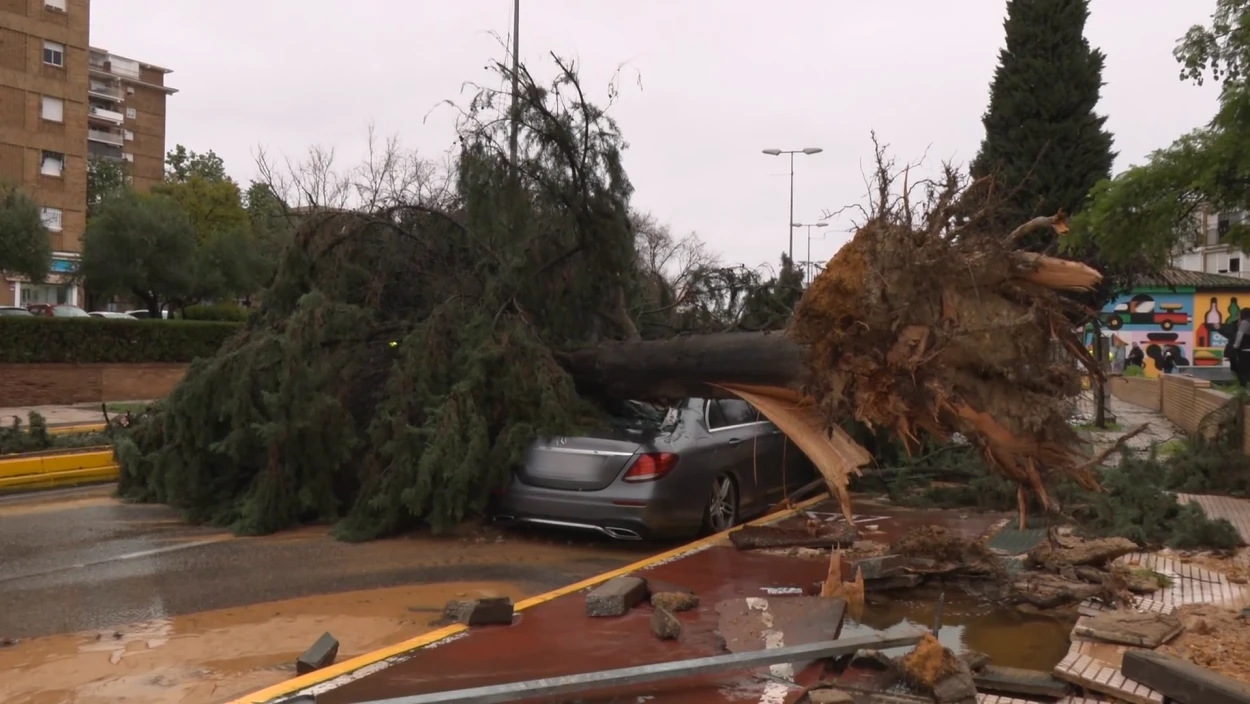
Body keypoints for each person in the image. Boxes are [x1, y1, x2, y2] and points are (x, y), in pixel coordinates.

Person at [1234, 309, 1250, 386]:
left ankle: (1244, 390)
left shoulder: (1245, 322)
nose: (1238, 317)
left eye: (1239, 315)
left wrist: (1235, 346)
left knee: (1243, 372)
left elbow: (1240, 335)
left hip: (1245, 351)